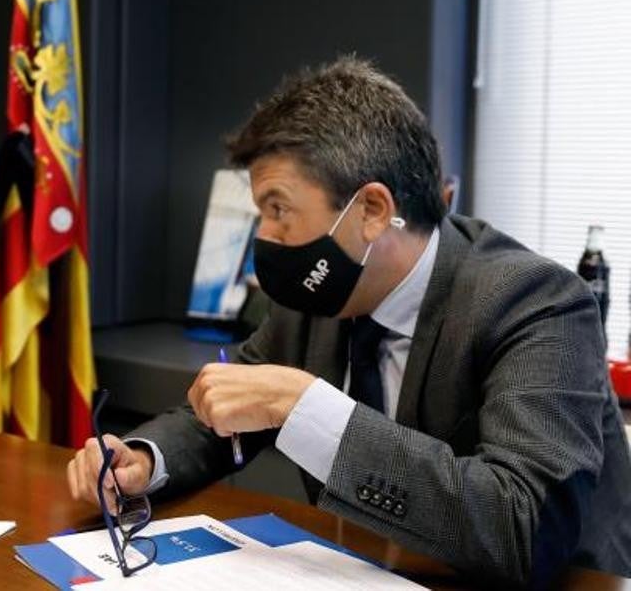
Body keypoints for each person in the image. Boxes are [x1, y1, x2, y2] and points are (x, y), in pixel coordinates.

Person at [66, 58, 631, 585]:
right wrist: (142, 460)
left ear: (371, 212)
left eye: (278, 209)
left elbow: (525, 524)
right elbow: (220, 412)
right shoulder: (316, 302)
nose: (265, 238)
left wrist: (306, 406)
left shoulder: (537, 302)